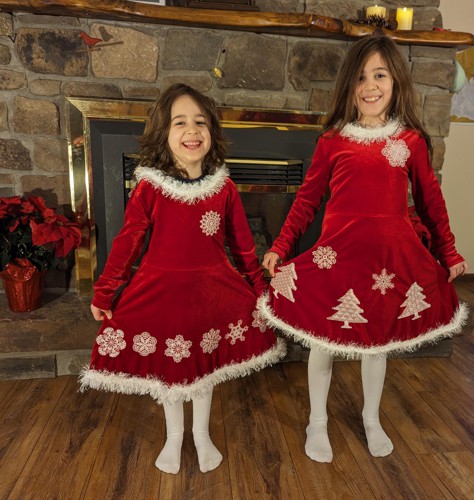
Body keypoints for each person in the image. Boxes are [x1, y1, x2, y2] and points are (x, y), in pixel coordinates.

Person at [260, 34, 468, 463]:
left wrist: (448, 253)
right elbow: (307, 199)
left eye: (379, 75)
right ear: (349, 86)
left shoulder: (409, 142)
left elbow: (431, 201)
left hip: (387, 264)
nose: (370, 85)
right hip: (335, 258)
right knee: (323, 342)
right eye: (361, 77)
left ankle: (371, 418)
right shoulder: (333, 141)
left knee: (378, 344)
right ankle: (316, 420)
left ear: (395, 84)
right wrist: (281, 244)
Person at [79, 83, 286, 474]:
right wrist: (105, 292)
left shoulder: (223, 188)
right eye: (180, 123)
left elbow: (242, 247)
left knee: (204, 366)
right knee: (174, 368)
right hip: (164, 294)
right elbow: (128, 244)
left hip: (213, 294)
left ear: (211, 132)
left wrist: (261, 291)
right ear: (164, 133)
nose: (192, 131)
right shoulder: (149, 189)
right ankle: (175, 436)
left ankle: (201, 434)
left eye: (200, 122)